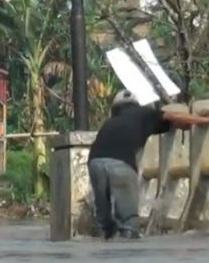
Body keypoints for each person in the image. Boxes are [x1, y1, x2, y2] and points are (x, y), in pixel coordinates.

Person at [88, 90, 209, 240]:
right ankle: (127, 245)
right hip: (120, 164)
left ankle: (103, 242)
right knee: (128, 221)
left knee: (103, 220)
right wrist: (202, 120)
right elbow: (172, 116)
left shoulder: (111, 122)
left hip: (95, 163)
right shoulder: (145, 113)